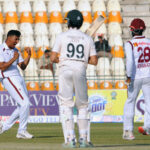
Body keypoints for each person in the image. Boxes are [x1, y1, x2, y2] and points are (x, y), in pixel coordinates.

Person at [50, 9, 98, 148]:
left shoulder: (61, 36)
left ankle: (70, 139)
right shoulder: (87, 38)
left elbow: (53, 58)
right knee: (82, 105)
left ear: (69, 22)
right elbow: (94, 61)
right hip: (80, 70)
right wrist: (81, 59)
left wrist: (65, 59)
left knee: (66, 105)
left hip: (65, 70)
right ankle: (83, 139)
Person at [0, 30, 33, 139]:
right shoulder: (1, 49)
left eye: (18, 39)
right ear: (9, 38)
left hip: (18, 77)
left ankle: (4, 126)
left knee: (22, 105)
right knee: (25, 103)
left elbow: (22, 66)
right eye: (16, 39)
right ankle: (22, 131)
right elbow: (2, 67)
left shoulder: (15, 50)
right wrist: (13, 58)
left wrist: (29, 56)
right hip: (8, 77)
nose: (17, 41)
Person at [123, 18, 150, 140]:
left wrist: (128, 76)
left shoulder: (129, 44)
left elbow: (129, 61)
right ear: (143, 29)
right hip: (148, 75)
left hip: (135, 76)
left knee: (130, 102)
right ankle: (147, 127)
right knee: (149, 102)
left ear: (133, 30)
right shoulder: (149, 42)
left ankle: (128, 131)